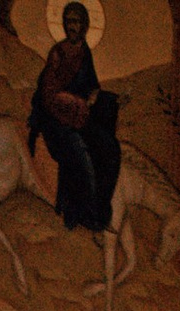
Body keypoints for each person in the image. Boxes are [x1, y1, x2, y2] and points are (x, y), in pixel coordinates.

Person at [30, 0, 119, 238]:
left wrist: (95, 95)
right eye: (69, 21)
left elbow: (91, 84)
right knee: (81, 154)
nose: (72, 26)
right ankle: (87, 217)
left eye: (77, 22)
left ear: (85, 25)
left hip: (79, 117)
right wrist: (78, 103)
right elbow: (49, 94)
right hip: (56, 118)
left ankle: (101, 209)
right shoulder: (58, 53)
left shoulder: (84, 52)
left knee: (110, 149)